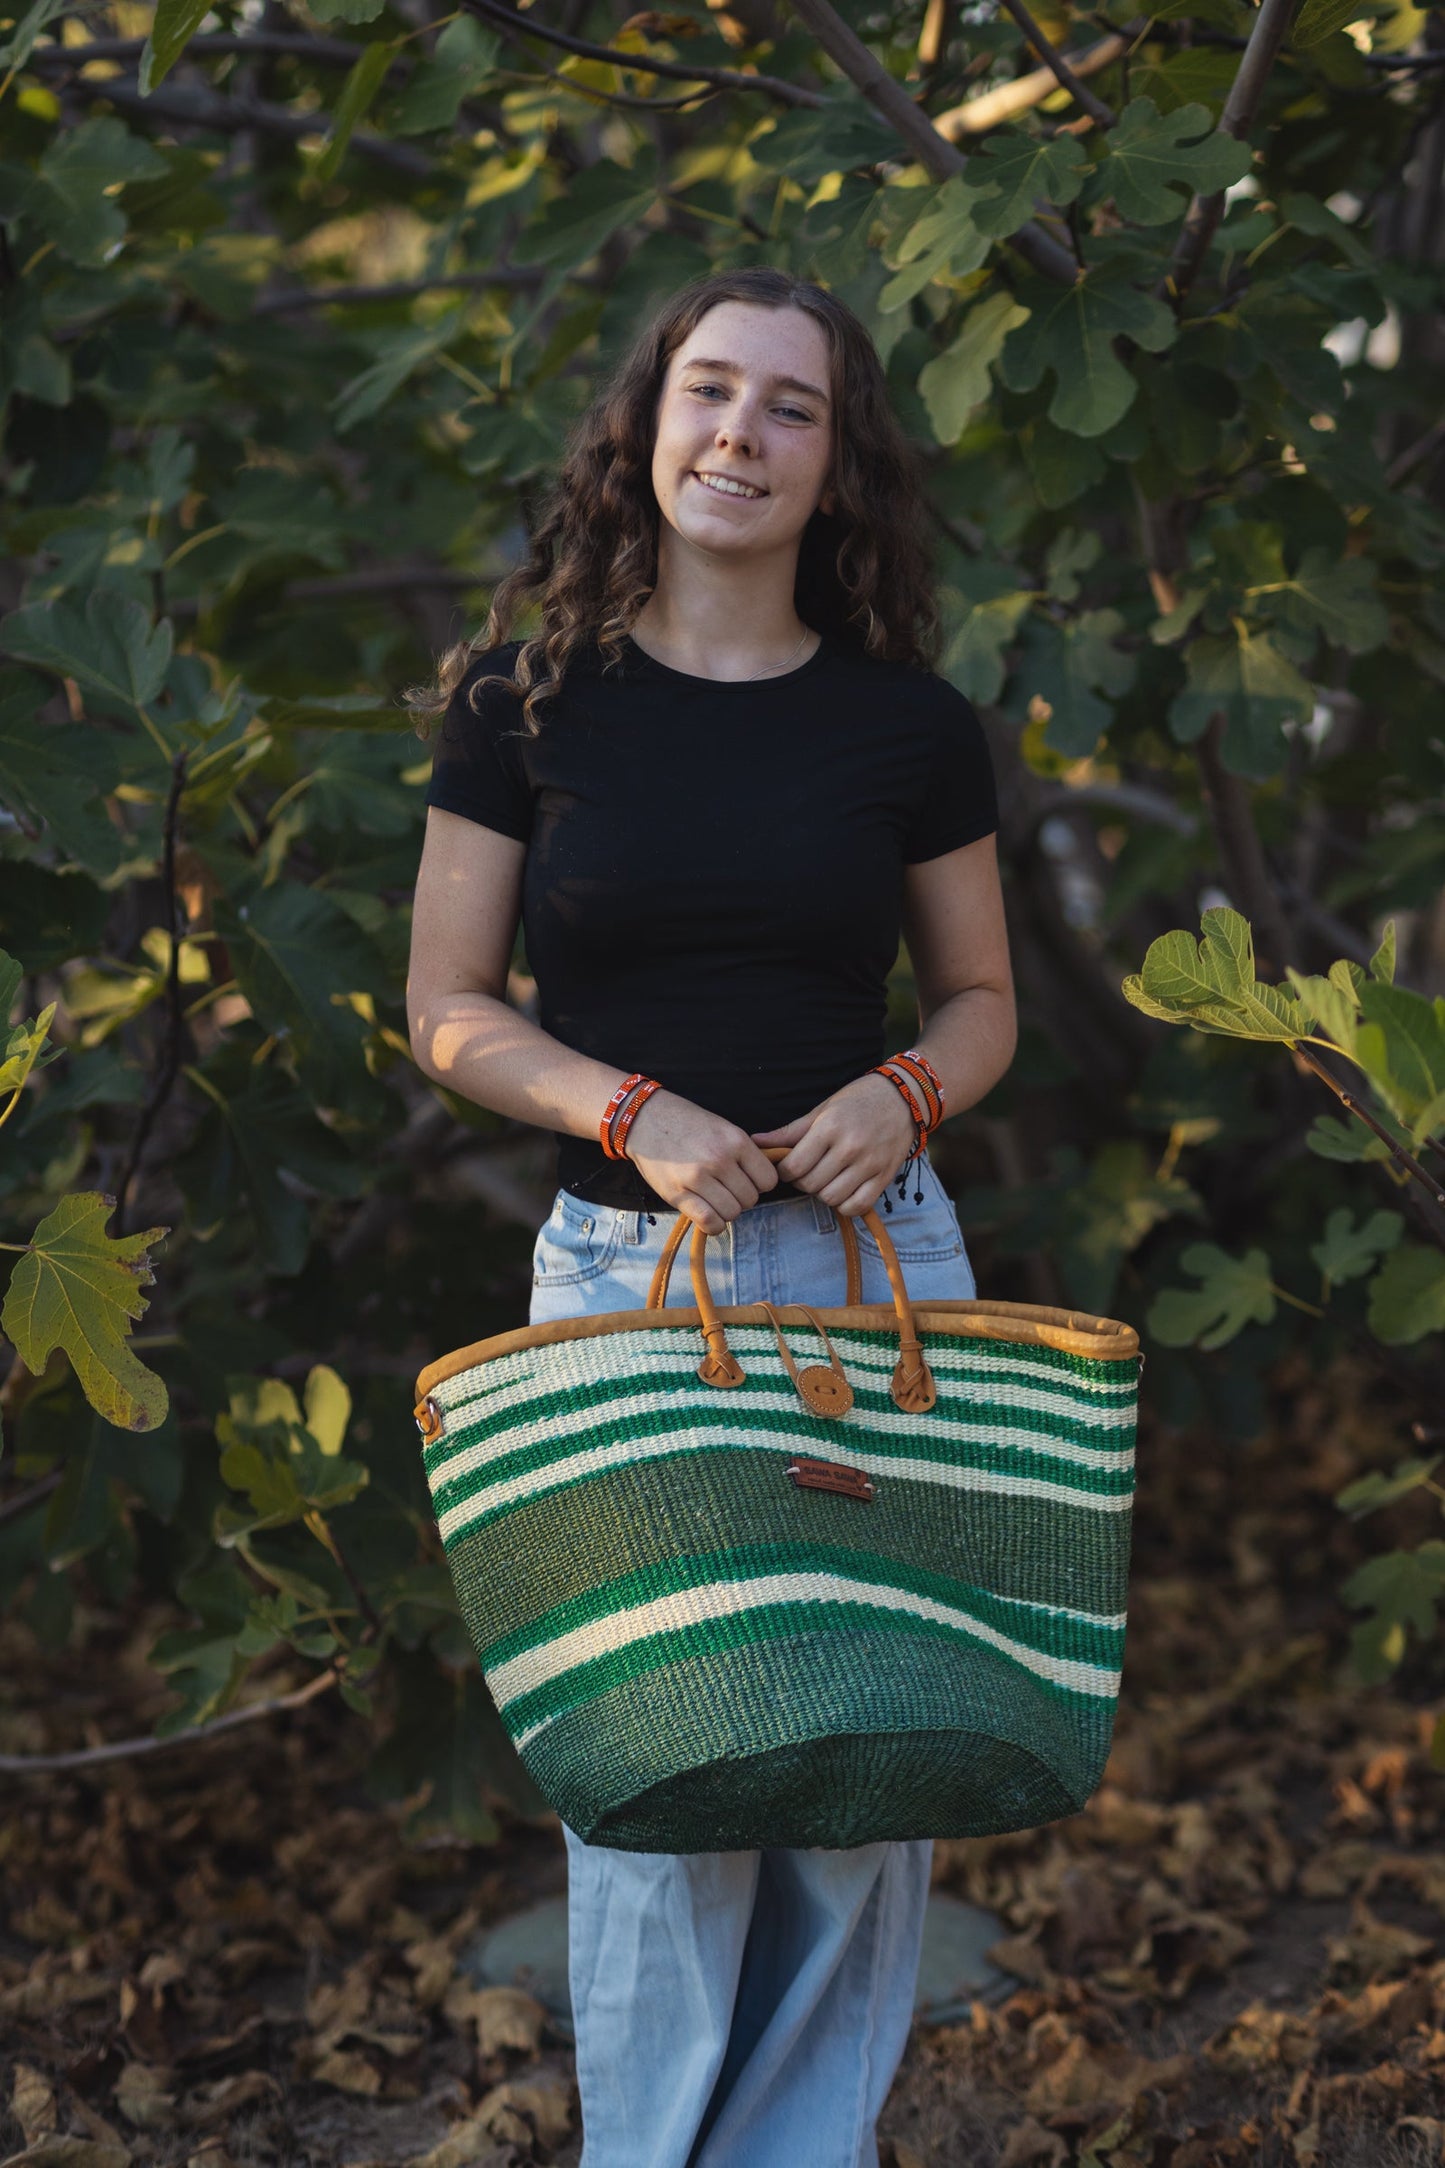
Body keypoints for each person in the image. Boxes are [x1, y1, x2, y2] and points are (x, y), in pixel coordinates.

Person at [406, 266, 1016, 2168]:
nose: (739, 436)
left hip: (869, 1282)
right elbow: (446, 1009)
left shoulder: (908, 727)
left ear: (839, 469)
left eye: (790, 409)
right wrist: (628, 1107)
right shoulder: (521, 702)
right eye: (708, 393)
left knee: (857, 1788)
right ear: (647, 423)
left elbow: (986, 1003)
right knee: (653, 1793)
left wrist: (894, 1094)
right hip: (620, 1282)